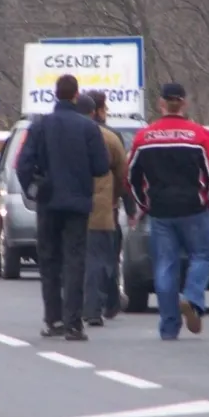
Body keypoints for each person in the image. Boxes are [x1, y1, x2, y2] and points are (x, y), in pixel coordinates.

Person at [126, 83, 209, 339]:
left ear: (161, 104)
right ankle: (192, 297)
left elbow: (131, 177)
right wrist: (208, 200)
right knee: (203, 255)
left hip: (160, 210)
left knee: (165, 266)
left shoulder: (144, 138)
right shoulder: (199, 136)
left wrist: (143, 203)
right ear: (184, 103)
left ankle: (169, 326)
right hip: (193, 207)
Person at [16, 74, 110, 341]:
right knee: (75, 260)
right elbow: (102, 166)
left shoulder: (40, 126)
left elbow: (23, 164)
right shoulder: (88, 128)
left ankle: (53, 319)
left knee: (49, 261)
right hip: (78, 203)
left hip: (48, 201)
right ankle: (73, 323)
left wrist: (34, 189)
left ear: (55, 94)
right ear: (76, 95)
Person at [77, 91, 131, 325]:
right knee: (102, 257)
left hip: (69, 207)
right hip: (101, 207)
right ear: (96, 110)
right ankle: (97, 305)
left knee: (77, 258)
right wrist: (117, 200)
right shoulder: (109, 137)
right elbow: (123, 175)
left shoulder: (65, 134)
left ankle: (99, 302)